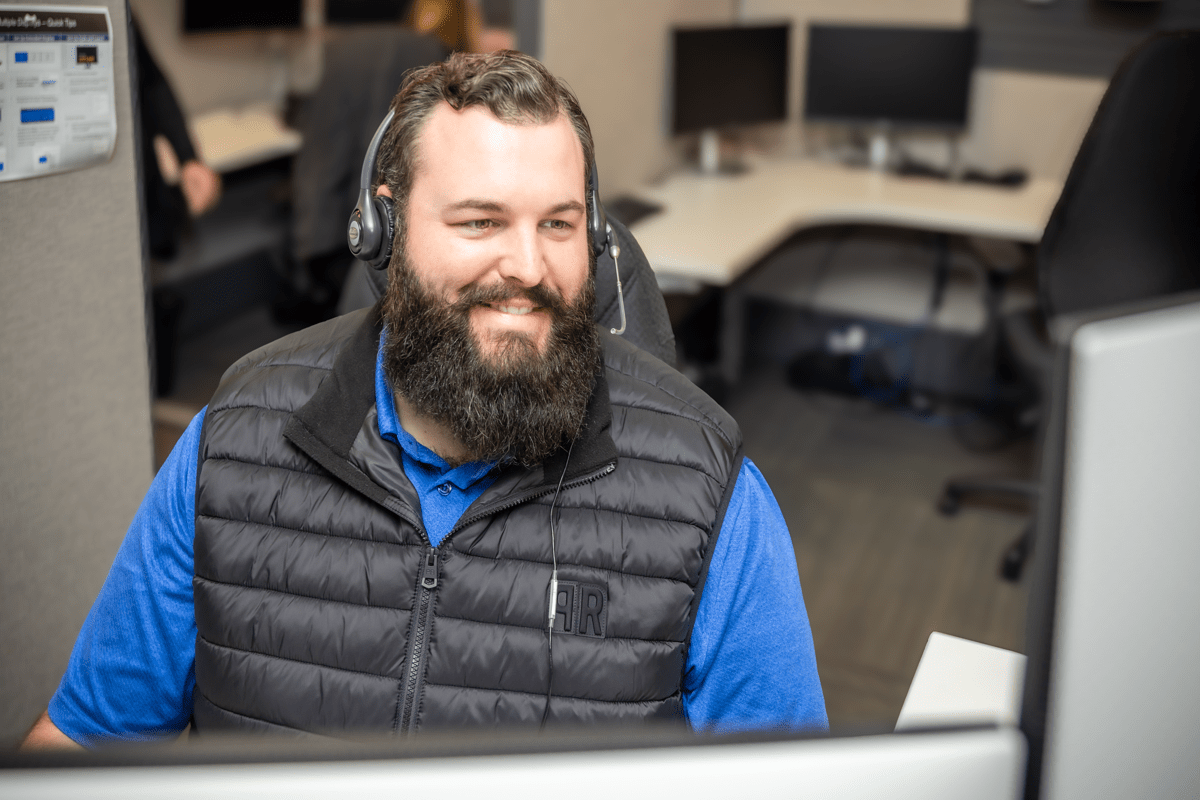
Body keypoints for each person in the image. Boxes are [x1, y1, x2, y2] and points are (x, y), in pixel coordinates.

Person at [23, 51, 825, 747]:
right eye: (480, 221)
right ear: (385, 231)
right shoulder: (233, 444)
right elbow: (90, 738)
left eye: (559, 224)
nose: (529, 267)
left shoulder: (706, 492)